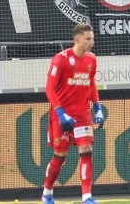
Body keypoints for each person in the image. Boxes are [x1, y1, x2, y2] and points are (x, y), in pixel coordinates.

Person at [43, 23, 105, 204]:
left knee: (86, 150)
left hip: (82, 113)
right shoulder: (61, 59)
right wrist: (60, 112)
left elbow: (90, 82)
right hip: (61, 113)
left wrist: (98, 107)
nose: (92, 42)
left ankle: (87, 197)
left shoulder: (92, 59)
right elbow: (49, 89)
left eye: (92, 38)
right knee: (60, 156)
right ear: (77, 40)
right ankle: (47, 192)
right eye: (88, 38)